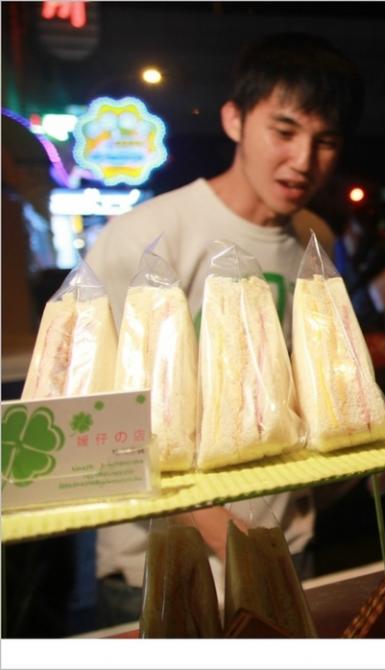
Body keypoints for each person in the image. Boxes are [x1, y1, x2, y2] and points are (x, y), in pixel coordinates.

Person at [85, 32, 363, 627]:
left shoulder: (318, 238)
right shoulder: (145, 237)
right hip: (159, 569)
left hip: (286, 549)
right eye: (284, 132)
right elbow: (96, 416)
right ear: (234, 119)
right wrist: (223, 529)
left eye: (326, 141)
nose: (303, 161)